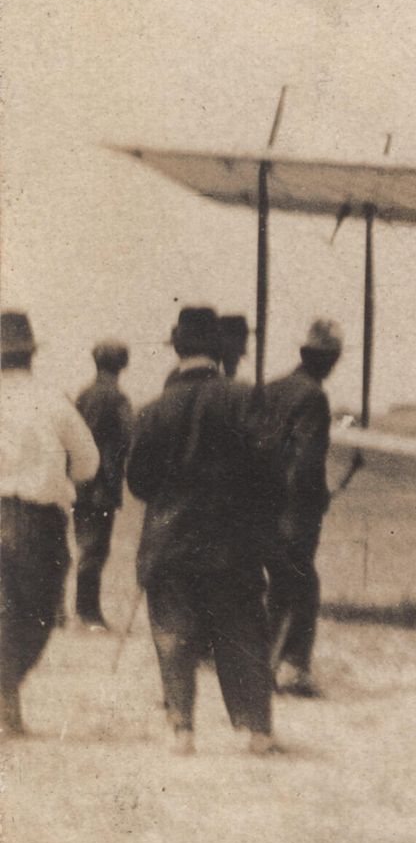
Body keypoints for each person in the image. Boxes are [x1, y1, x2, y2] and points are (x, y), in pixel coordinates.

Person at [125, 306, 279, 755]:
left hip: (169, 541)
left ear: (177, 348)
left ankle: (182, 729)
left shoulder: (152, 410)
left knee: (172, 632)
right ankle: (256, 731)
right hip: (233, 542)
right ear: (219, 349)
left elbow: (139, 483)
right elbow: (270, 471)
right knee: (242, 629)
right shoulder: (244, 398)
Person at [0, 311, 101, 736]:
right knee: (38, 613)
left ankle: (5, 698)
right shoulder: (52, 400)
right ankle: (6, 694)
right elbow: (88, 463)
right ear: (30, 354)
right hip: (35, 520)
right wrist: (60, 474)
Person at [259, 318, 343, 696]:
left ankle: (265, 666)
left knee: (278, 587)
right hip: (294, 512)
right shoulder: (313, 397)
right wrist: (317, 497)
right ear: (330, 359)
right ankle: (291, 669)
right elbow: (306, 462)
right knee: (301, 588)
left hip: (262, 507)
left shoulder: (272, 388)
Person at [70, 338, 134, 630]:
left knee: (86, 546)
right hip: (102, 485)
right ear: (121, 365)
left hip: (80, 483)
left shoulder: (84, 394)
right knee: (95, 549)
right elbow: (129, 436)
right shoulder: (117, 398)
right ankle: (88, 613)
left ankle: (83, 611)